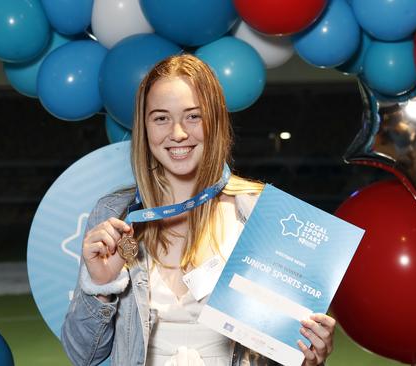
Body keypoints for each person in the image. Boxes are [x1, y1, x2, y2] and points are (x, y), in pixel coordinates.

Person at [62, 54, 335, 366]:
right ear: (145, 126)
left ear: (215, 121)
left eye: (193, 116)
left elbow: (280, 352)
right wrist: (100, 287)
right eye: (161, 118)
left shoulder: (260, 214)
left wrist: (308, 358)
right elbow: (84, 355)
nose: (178, 133)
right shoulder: (115, 214)